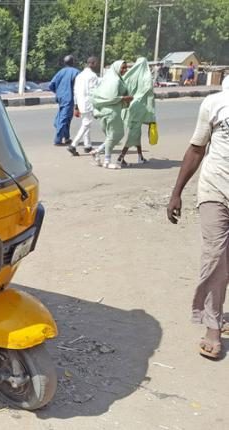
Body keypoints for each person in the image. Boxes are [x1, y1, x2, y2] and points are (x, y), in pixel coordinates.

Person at [167, 76, 229, 359]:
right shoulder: (215, 104)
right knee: (215, 257)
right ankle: (212, 324)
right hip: (215, 189)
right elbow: (196, 149)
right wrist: (176, 192)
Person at [90, 60, 134, 169]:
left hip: (104, 112)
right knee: (116, 135)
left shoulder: (107, 79)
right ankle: (107, 160)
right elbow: (111, 98)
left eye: (126, 68)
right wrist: (124, 98)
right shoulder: (115, 81)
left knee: (112, 136)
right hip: (112, 111)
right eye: (122, 68)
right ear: (116, 68)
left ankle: (98, 151)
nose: (125, 70)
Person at [119, 57, 156, 166]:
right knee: (133, 134)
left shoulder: (130, 76)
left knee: (137, 133)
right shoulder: (147, 77)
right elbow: (150, 96)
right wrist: (151, 115)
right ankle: (121, 157)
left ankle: (140, 156)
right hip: (140, 108)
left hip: (130, 105)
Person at [67, 57, 100, 156]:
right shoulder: (93, 76)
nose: (97, 66)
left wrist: (76, 106)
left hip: (81, 103)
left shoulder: (79, 76)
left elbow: (75, 92)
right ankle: (73, 145)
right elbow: (93, 92)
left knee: (86, 124)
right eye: (97, 63)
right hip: (88, 103)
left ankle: (87, 145)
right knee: (86, 124)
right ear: (92, 63)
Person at [49, 55, 80, 146]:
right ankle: (58, 140)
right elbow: (79, 86)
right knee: (64, 119)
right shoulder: (76, 72)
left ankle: (67, 138)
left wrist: (58, 92)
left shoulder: (60, 72)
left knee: (66, 118)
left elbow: (51, 85)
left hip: (61, 98)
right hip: (69, 98)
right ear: (73, 62)